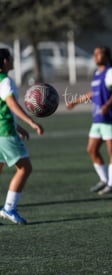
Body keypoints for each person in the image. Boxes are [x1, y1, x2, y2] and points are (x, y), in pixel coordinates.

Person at [66, 46, 112, 195]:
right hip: (98, 119)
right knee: (91, 149)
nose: (96, 56)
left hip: (110, 118)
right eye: (94, 54)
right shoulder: (97, 74)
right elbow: (93, 93)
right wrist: (76, 101)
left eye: (99, 54)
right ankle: (104, 180)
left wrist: (106, 105)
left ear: (106, 56)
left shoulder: (110, 72)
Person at [0, 48, 44, 224]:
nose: (12, 61)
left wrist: (18, 126)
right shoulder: (5, 82)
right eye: (11, 58)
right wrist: (31, 122)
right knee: (25, 168)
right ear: (4, 62)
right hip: (5, 132)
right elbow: (11, 104)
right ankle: (9, 208)